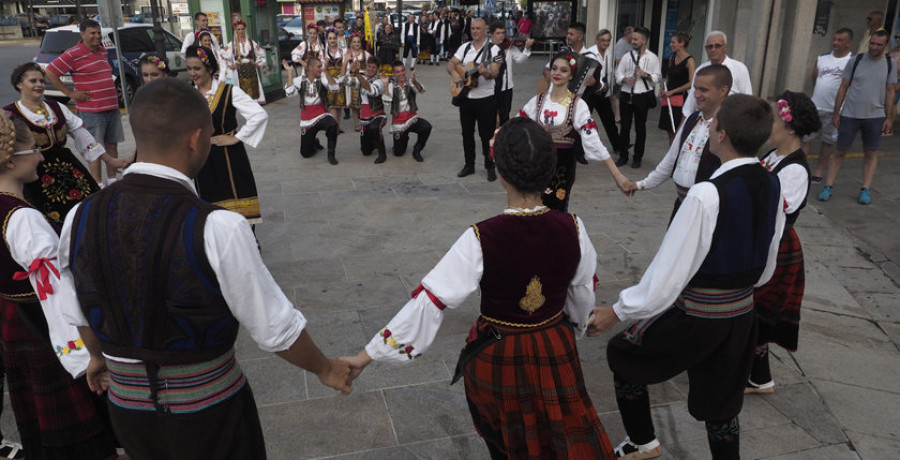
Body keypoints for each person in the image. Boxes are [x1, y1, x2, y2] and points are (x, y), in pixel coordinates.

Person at [55, 78, 352, 459]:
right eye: (211, 134)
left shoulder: (81, 215)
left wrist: (98, 357)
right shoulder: (218, 226)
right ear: (195, 139)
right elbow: (276, 329)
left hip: (127, 410)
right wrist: (325, 368)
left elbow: (77, 305)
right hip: (208, 414)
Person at [343, 117, 617, 460]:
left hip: (500, 353)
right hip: (553, 343)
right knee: (557, 433)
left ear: (500, 171)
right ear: (549, 171)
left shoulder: (480, 236)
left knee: (509, 440)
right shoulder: (573, 227)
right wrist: (575, 328)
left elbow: (430, 301)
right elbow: (581, 292)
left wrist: (366, 355)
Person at [589, 94, 785, 460]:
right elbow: (769, 257)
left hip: (700, 315)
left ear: (721, 134)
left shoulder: (707, 194)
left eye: (712, 124)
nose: (708, 127)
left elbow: (668, 275)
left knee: (623, 354)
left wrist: (617, 310)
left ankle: (642, 442)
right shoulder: (772, 183)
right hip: (741, 315)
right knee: (723, 403)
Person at [0, 112, 119, 460]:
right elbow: (57, 295)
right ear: (9, 160)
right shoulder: (23, 217)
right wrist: (89, 357)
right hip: (45, 329)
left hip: (15, 321)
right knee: (75, 432)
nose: (40, 156)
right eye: (32, 151)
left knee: (37, 417)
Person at [749, 91, 819, 395]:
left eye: (773, 119)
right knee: (754, 311)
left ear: (790, 126)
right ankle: (760, 378)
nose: (767, 125)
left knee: (755, 311)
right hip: (763, 240)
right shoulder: (772, 156)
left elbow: (773, 209)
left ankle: (744, 374)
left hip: (776, 246)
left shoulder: (795, 169)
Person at [519, 51, 631, 211]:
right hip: (535, 169)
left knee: (556, 214)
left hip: (561, 171)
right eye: (554, 68)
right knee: (531, 212)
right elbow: (516, 126)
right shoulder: (537, 101)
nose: (557, 73)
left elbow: (594, 141)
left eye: (563, 70)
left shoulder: (577, 105)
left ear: (571, 76)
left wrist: (617, 174)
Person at [5, 62, 108, 227]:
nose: (39, 85)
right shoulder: (10, 114)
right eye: (33, 81)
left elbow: (82, 135)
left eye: (41, 81)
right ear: (19, 84)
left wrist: (109, 160)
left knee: (90, 208)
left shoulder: (56, 107)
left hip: (67, 168)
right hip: (34, 172)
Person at [625, 65, 732, 219]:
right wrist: (640, 184)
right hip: (682, 206)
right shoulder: (691, 120)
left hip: (708, 214)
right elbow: (671, 159)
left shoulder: (729, 127)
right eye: (695, 88)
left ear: (723, 91)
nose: (696, 95)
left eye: (704, 90)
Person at [186, 46, 267, 222]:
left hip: (229, 156)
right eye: (189, 68)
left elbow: (258, 114)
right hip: (202, 159)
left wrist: (236, 137)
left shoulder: (229, 91)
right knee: (209, 203)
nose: (192, 73)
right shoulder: (188, 95)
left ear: (210, 68)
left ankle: (247, 241)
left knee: (237, 195)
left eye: (197, 68)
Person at [44, 19, 128, 184]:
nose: (97, 36)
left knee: (112, 145)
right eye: (92, 33)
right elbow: (50, 72)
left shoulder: (103, 51)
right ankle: (98, 185)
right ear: (82, 34)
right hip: (91, 111)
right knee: (93, 149)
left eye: (98, 33)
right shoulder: (73, 54)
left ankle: (113, 182)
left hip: (111, 107)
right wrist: (70, 92)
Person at [820, 29, 896, 205]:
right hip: (850, 114)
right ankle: (828, 186)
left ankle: (865, 188)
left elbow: (890, 91)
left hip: (875, 116)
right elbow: (843, 86)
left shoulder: (889, 64)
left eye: (879, 44)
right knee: (839, 151)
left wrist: (889, 117)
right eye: (872, 43)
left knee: (871, 153)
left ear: (885, 46)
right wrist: (837, 112)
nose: (874, 47)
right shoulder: (856, 61)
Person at [448, 18, 503, 181]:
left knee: (486, 135)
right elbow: (451, 63)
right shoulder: (465, 48)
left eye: (478, 28)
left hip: (486, 99)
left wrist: (485, 72)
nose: (475, 31)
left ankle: (489, 165)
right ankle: (469, 164)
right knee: (466, 133)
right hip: (466, 98)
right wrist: (454, 73)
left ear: (485, 30)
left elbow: (494, 72)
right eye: (472, 28)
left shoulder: (494, 51)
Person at [805, 28, 854, 184]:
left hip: (835, 111)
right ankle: (802, 168)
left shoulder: (852, 61)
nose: (835, 43)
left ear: (849, 43)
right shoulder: (822, 58)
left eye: (840, 40)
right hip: (816, 107)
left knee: (828, 142)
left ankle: (819, 170)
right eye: (835, 39)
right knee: (805, 139)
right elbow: (815, 78)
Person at [615, 26, 661, 169]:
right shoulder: (627, 56)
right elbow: (618, 74)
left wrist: (645, 75)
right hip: (627, 95)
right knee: (625, 127)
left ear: (644, 40)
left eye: (636, 39)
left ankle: (637, 158)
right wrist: (625, 79)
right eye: (632, 39)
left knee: (640, 128)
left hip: (642, 96)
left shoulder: (652, 57)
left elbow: (658, 77)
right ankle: (623, 156)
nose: (632, 41)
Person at [681, 31, 752, 118]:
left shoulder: (739, 68)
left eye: (718, 46)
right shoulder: (701, 69)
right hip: (703, 121)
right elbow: (690, 104)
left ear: (725, 47)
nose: (713, 49)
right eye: (709, 47)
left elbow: (747, 100)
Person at [283, 57, 341, 164]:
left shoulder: (322, 78)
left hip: (321, 113)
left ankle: (331, 154)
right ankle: (315, 142)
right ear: (310, 68)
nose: (320, 69)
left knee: (332, 124)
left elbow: (335, 88)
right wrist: (290, 73)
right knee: (305, 153)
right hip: (307, 117)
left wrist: (326, 71)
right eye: (319, 67)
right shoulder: (299, 80)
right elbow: (290, 93)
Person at [584, 29, 623, 159]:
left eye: (608, 40)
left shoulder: (609, 53)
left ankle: (618, 146)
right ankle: (578, 150)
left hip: (604, 91)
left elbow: (609, 74)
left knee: (609, 121)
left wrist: (610, 91)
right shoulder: (590, 53)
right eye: (603, 40)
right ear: (597, 40)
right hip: (590, 92)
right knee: (582, 120)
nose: (605, 43)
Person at [382, 61, 431, 162]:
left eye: (402, 70)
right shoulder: (391, 86)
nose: (401, 74)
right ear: (394, 73)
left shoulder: (411, 82)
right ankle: (403, 138)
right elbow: (386, 102)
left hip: (411, 118)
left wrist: (415, 81)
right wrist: (386, 85)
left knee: (426, 126)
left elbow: (422, 90)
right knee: (398, 153)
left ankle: (417, 150)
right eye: (398, 72)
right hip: (398, 122)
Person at [490, 21, 533, 126]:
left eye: (503, 33)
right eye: (498, 33)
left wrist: (526, 49)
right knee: (491, 116)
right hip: (490, 88)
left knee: (505, 116)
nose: (501, 36)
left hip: (506, 87)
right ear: (491, 34)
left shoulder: (509, 47)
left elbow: (520, 60)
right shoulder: (487, 48)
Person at [658, 31, 695, 144]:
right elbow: (669, 76)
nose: (671, 45)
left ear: (682, 43)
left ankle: (676, 157)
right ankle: (671, 156)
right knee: (669, 131)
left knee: (677, 131)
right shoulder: (672, 58)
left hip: (680, 99)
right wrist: (663, 88)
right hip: (668, 99)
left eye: (673, 42)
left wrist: (673, 91)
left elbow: (691, 82)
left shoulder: (690, 60)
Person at [349, 57, 387, 163]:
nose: (371, 69)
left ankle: (382, 154)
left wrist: (357, 75)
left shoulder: (380, 81)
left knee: (374, 128)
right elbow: (345, 81)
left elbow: (371, 90)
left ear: (377, 69)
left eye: (374, 67)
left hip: (378, 115)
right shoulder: (361, 76)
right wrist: (348, 68)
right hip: (364, 118)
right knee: (365, 152)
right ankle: (374, 142)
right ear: (366, 66)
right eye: (369, 66)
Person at [222, 19, 267, 104]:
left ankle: (254, 105)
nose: (241, 31)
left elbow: (261, 53)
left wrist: (257, 63)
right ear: (236, 30)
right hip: (239, 70)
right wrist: (231, 65)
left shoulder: (250, 42)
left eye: (242, 29)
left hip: (251, 70)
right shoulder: (232, 44)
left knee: (253, 89)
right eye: (238, 29)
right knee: (241, 90)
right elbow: (223, 56)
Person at [342, 33, 371, 132]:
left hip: (363, 79)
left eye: (358, 42)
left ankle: (364, 119)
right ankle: (357, 123)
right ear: (351, 43)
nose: (356, 43)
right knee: (355, 103)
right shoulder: (348, 54)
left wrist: (368, 72)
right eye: (354, 42)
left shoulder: (365, 54)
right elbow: (343, 69)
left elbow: (371, 66)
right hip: (353, 80)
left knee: (364, 102)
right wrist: (346, 62)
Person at [322, 28, 347, 123]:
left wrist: (343, 76)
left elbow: (346, 65)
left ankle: (337, 124)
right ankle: (334, 126)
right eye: (330, 38)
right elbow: (321, 67)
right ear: (327, 40)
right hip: (328, 79)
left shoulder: (342, 51)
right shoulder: (324, 52)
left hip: (340, 78)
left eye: (334, 38)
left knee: (339, 104)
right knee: (332, 104)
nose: (332, 40)